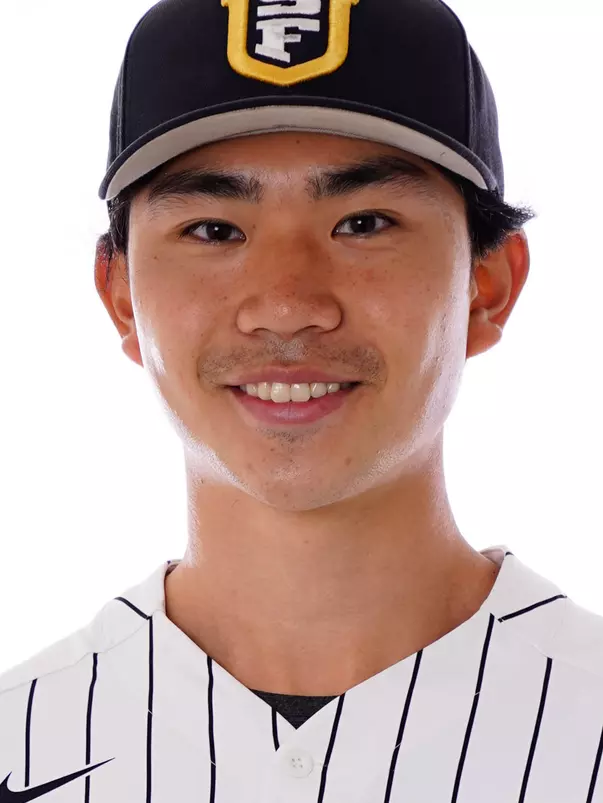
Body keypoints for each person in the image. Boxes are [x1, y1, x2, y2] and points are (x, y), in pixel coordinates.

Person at [1, 0, 602, 801]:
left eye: (362, 221)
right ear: (121, 298)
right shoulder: (21, 741)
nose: (285, 304)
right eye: (214, 230)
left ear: (486, 288)